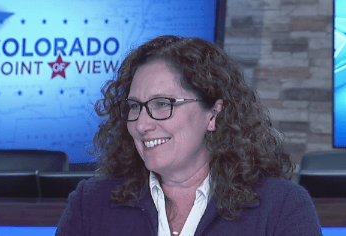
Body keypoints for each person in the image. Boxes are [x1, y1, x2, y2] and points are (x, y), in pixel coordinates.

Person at [55, 35, 322, 236]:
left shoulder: (282, 206)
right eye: (135, 106)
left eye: (162, 104)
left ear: (213, 115)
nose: (142, 124)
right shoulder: (91, 202)